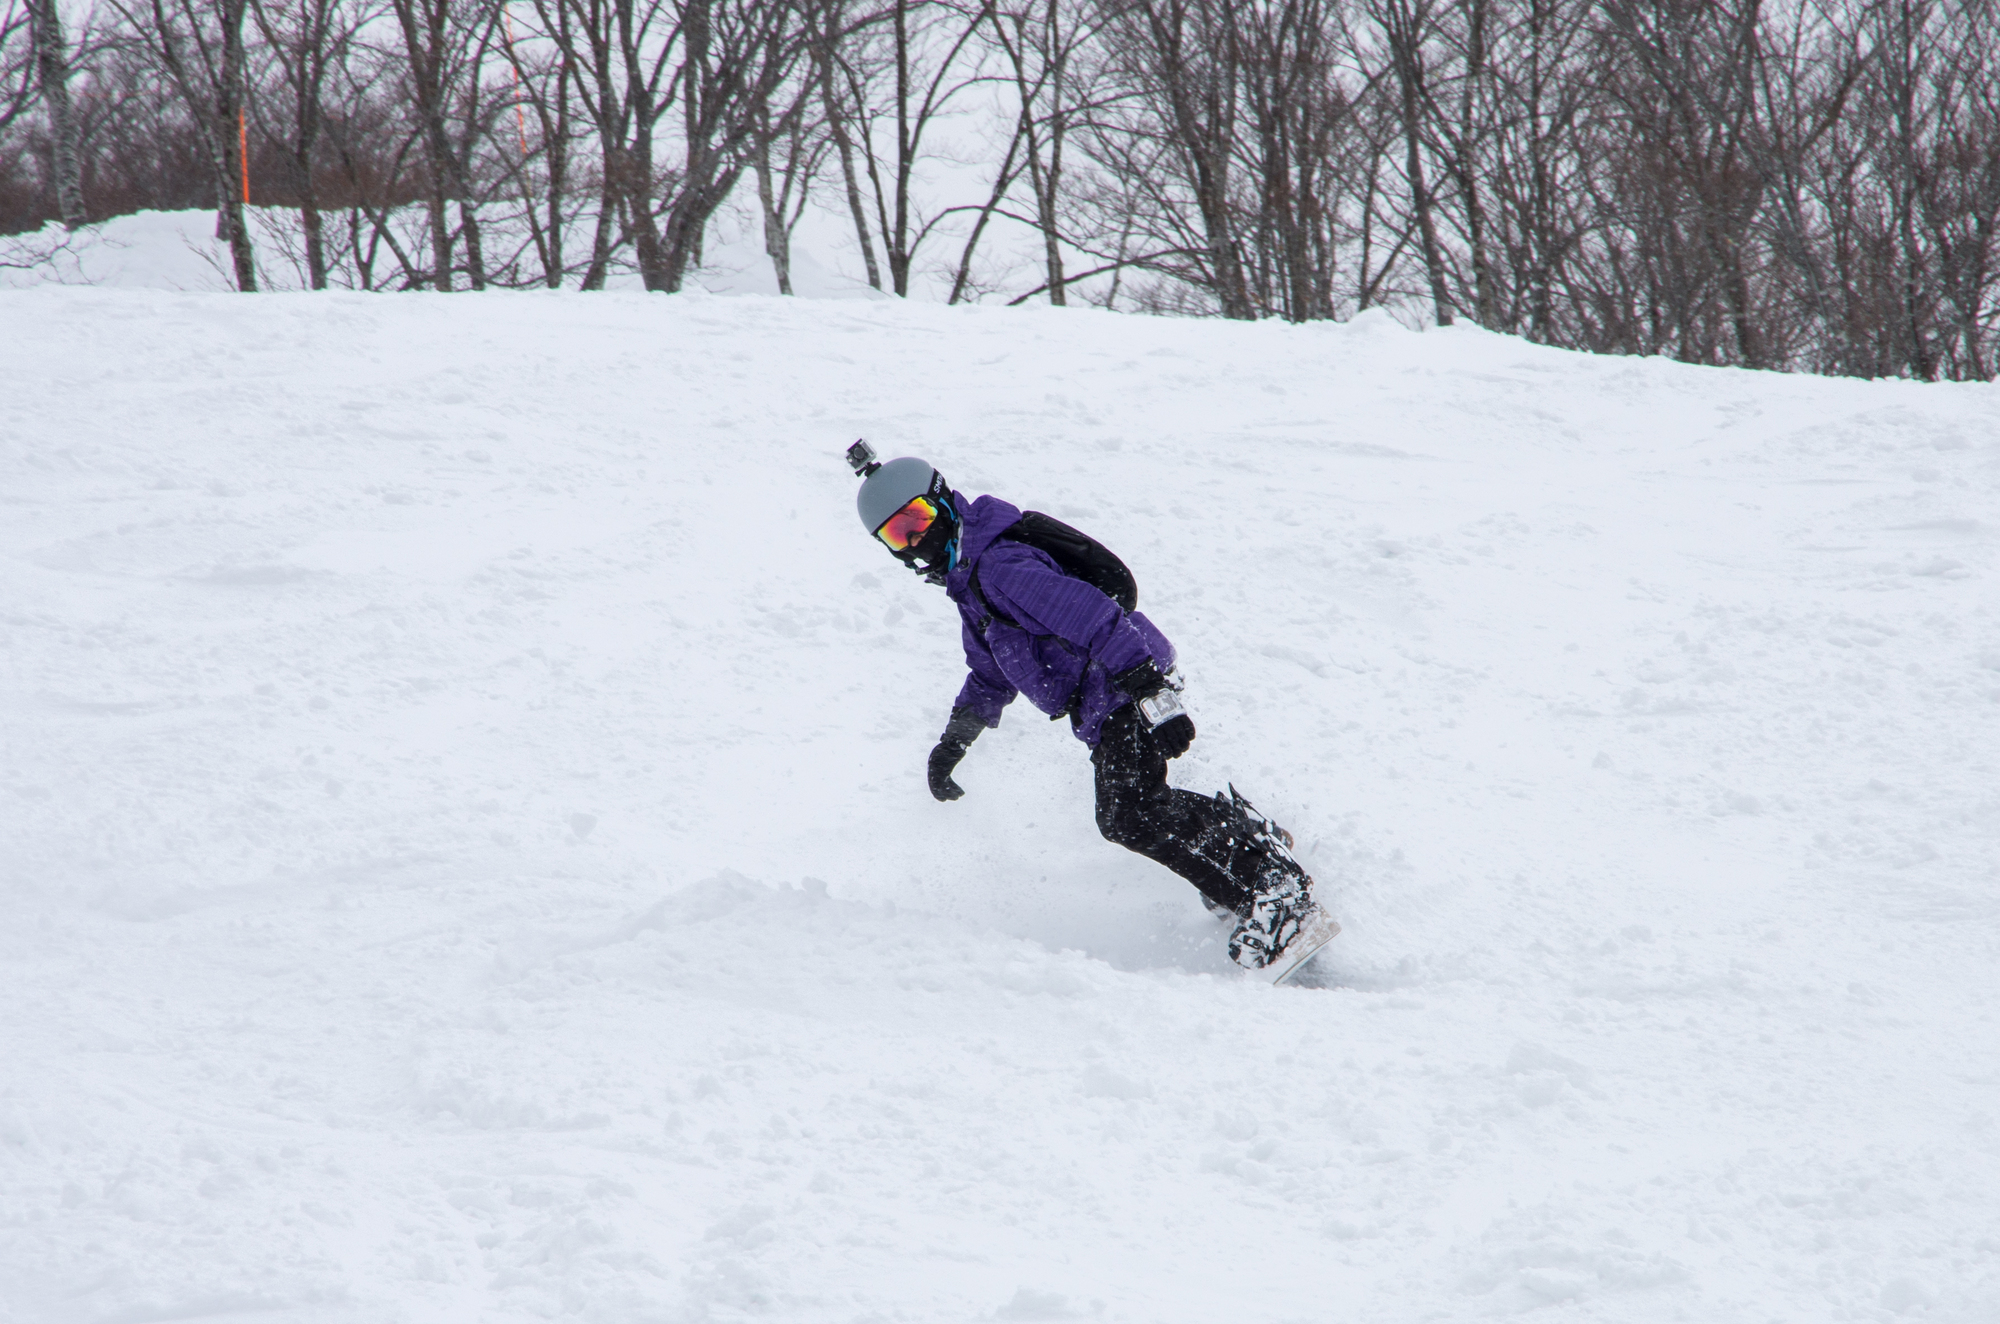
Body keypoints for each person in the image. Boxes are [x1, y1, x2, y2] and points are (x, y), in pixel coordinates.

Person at [849, 446, 1334, 972]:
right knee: (1135, 809)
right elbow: (990, 674)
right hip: (1108, 695)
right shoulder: (970, 585)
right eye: (897, 535)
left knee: (1128, 813)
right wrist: (954, 742)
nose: (915, 541)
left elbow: (1095, 617)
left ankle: (1276, 895)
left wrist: (1151, 694)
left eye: (918, 520)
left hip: (1123, 679)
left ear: (943, 502)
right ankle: (1247, 843)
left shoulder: (1000, 567)